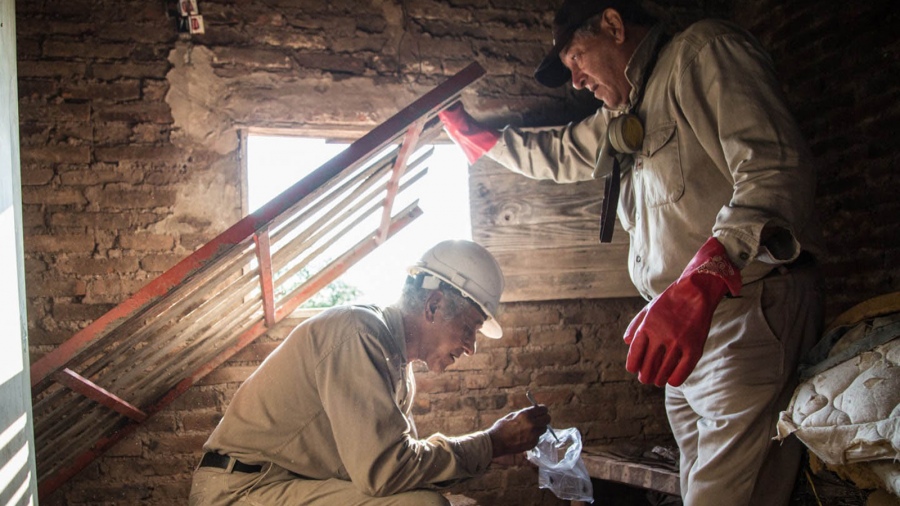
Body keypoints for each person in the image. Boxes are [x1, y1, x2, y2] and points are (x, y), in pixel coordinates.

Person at [439, 1, 825, 505]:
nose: (576, 81)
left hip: (740, 311)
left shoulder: (702, 54)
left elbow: (776, 171)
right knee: (696, 490)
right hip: (685, 330)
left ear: (614, 25)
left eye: (577, 57)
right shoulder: (626, 111)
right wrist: (483, 141)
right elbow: (562, 152)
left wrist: (703, 279)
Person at [188, 240, 551, 505]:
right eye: (470, 329)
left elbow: (403, 468)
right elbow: (386, 472)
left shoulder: (397, 367)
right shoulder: (359, 333)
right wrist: (489, 443)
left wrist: (488, 452)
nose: (471, 346)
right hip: (237, 492)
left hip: (279, 485)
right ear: (434, 305)